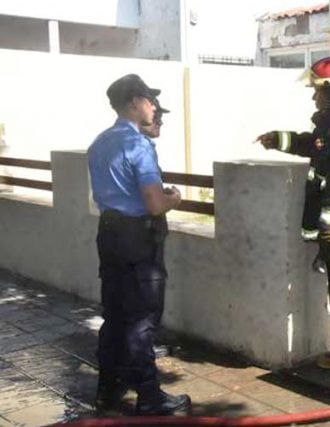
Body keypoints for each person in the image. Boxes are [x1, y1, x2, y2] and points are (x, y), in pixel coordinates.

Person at [258, 56, 330, 392]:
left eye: (318, 93)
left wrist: (327, 228)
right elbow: (313, 146)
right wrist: (278, 139)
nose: (314, 98)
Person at [87, 74, 191, 415]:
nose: (153, 107)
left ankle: (108, 390)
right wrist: (173, 198)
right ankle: (150, 396)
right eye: (149, 101)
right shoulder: (137, 145)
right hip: (138, 238)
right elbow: (153, 203)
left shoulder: (100, 142)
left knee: (115, 315)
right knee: (143, 319)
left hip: (110, 234)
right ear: (135, 102)